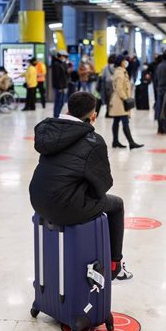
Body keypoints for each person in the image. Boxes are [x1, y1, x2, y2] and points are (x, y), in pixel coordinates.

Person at [29, 91, 133, 280]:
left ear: (68, 110)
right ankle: (115, 265)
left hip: (38, 199)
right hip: (66, 207)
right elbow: (103, 186)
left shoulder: (48, 130)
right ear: (93, 116)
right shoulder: (94, 141)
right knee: (116, 205)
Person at [109, 55, 143, 150]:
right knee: (125, 121)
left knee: (116, 121)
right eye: (124, 61)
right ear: (121, 62)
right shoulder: (120, 73)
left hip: (119, 101)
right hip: (120, 101)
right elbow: (119, 89)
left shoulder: (121, 71)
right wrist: (125, 99)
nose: (126, 62)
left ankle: (115, 141)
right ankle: (131, 143)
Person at [51, 53, 68, 118]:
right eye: (63, 56)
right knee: (58, 101)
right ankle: (56, 115)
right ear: (60, 57)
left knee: (62, 102)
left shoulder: (62, 63)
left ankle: (57, 114)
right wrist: (60, 87)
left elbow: (66, 73)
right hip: (59, 87)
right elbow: (57, 77)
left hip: (64, 86)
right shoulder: (56, 64)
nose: (64, 57)